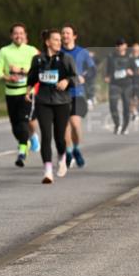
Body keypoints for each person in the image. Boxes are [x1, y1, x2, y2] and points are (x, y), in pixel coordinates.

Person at [26, 29, 78, 184]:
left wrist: (66, 81)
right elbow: (32, 78)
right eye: (56, 39)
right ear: (48, 42)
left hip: (62, 102)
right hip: (43, 101)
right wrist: (28, 91)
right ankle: (48, 171)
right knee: (46, 136)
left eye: (60, 40)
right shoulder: (38, 59)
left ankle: (62, 158)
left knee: (59, 137)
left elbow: (75, 77)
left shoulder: (66, 58)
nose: (59, 42)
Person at [0, 23, 40, 167]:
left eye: (21, 33)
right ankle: (26, 140)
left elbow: (39, 70)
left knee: (23, 121)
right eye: (15, 33)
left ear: (25, 35)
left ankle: (22, 152)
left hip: (27, 92)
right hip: (11, 92)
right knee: (15, 125)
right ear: (11, 35)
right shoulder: (4, 51)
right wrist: (8, 77)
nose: (18, 36)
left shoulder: (32, 51)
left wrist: (22, 70)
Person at [60, 24, 95, 168]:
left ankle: (76, 149)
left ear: (74, 36)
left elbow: (92, 70)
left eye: (68, 33)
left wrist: (84, 78)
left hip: (77, 92)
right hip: (59, 94)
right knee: (64, 126)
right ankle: (68, 152)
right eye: (63, 33)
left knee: (75, 124)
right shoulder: (57, 52)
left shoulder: (82, 52)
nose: (65, 36)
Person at [105, 38, 136, 135]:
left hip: (127, 85)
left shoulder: (130, 57)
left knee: (126, 107)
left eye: (122, 44)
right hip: (114, 84)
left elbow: (136, 70)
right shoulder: (111, 57)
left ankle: (125, 126)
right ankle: (117, 124)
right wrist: (106, 77)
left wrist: (131, 72)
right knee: (112, 105)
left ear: (126, 46)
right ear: (116, 47)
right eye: (118, 45)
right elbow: (107, 71)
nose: (120, 46)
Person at [131, 42, 139, 120]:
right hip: (131, 81)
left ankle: (138, 109)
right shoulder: (129, 58)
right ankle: (134, 113)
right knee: (132, 98)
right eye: (135, 50)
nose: (136, 51)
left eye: (137, 50)